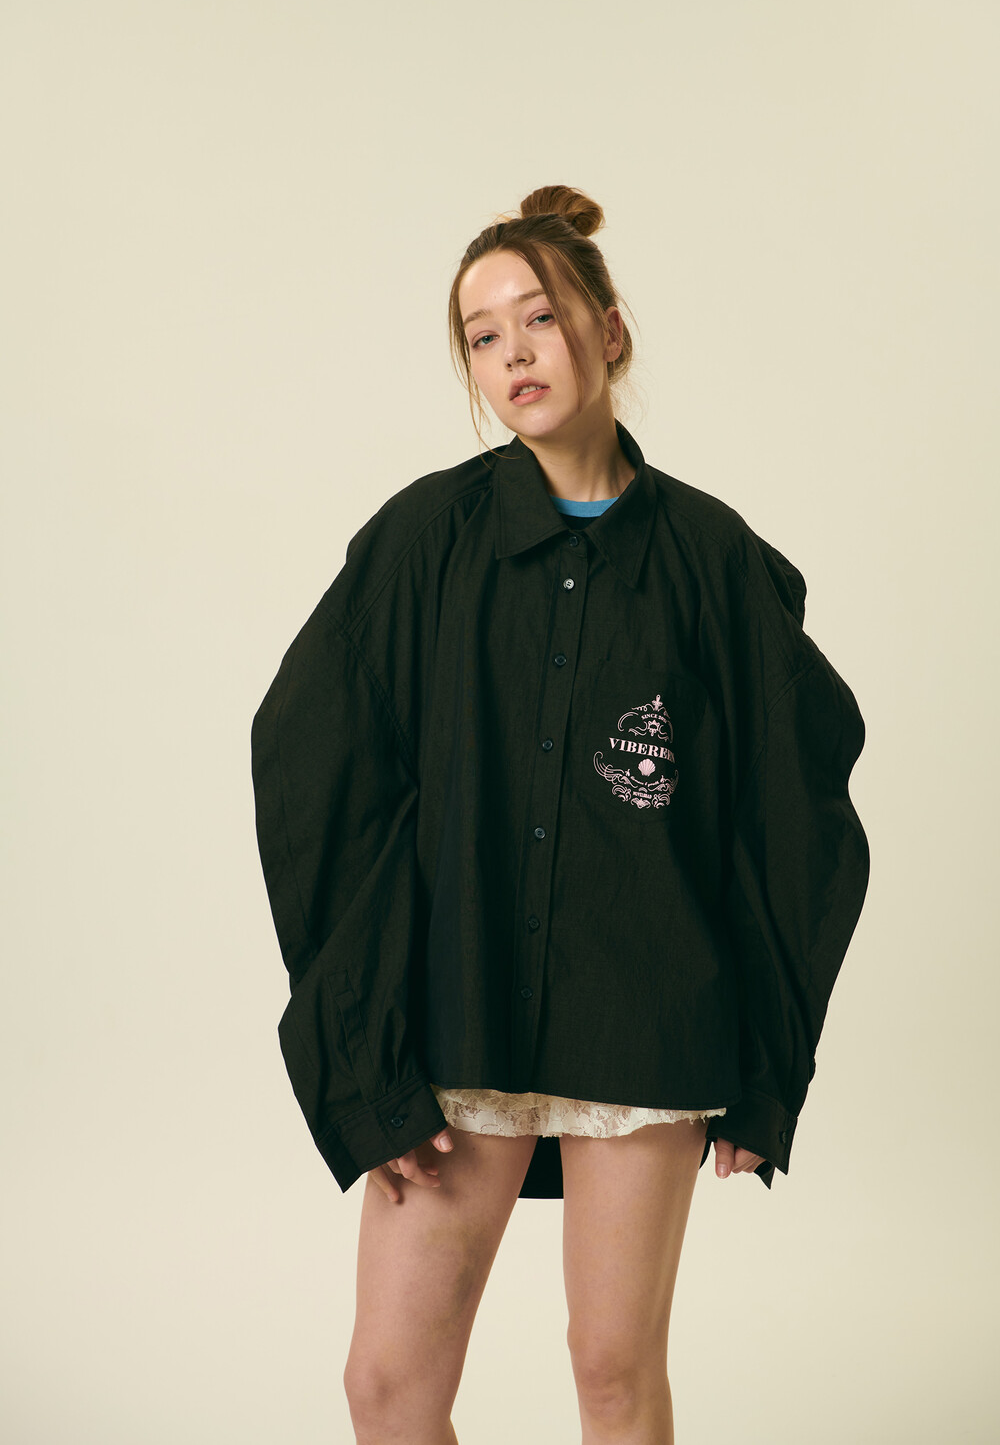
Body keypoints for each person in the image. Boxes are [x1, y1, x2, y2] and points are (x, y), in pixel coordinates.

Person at [250, 184, 870, 1445]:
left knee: (612, 1373)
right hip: (454, 1016)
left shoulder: (712, 561)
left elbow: (792, 813)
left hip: (646, 1023)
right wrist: (361, 1058)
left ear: (609, 330)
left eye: (539, 317)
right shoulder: (423, 542)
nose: (514, 353)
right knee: (386, 1384)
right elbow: (315, 768)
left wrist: (766, 1067)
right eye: (482, 335)